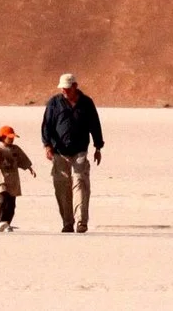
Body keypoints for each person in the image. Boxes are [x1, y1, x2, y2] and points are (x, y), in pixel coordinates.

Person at [39, 71, 104, 233]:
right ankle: (67, 222)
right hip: (60, 151)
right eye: (63, 88)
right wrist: (47, 145)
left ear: (75, 86)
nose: (64, 91)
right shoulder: (54, 103)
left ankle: (81, 221)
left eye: (67, 88)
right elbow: (47, 125)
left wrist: (98, 147)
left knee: (80, 182)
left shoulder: (87, 103)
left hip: (80, 150)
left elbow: (95, 125)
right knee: (62, 186)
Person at [0, 125, 34, 232]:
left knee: (11, 203)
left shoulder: (16, 149)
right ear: (2, 137)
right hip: (3, 180)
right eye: (9, 137)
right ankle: (1, 221)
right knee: (3, 199)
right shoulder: (0, 149)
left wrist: (30, 169)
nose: (11, 139)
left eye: (12, 137)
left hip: (13, 181)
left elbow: (23, 159)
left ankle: (7, 223)